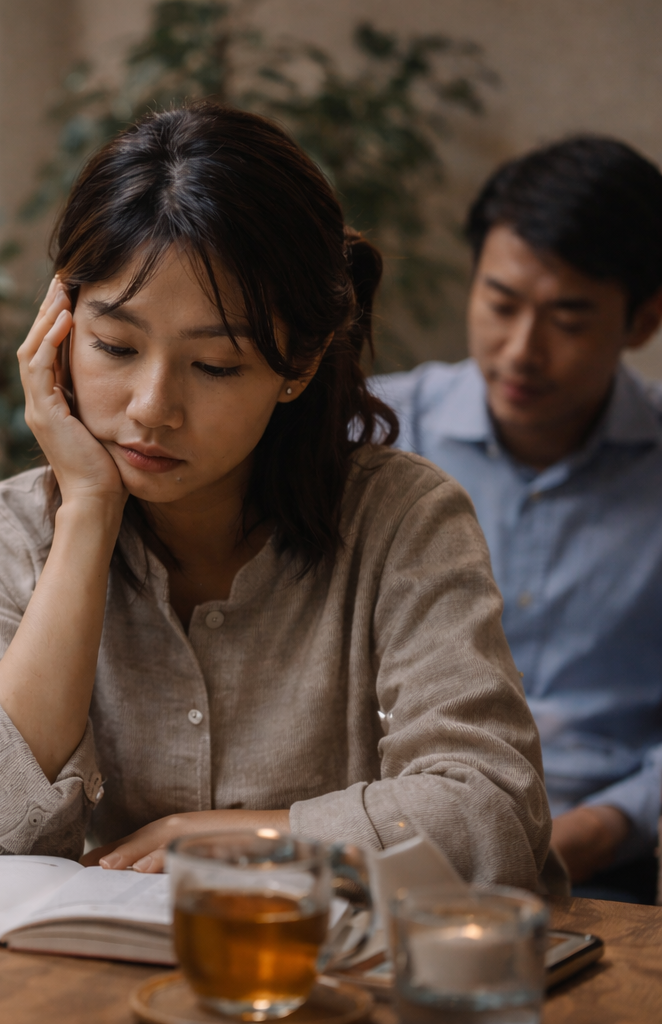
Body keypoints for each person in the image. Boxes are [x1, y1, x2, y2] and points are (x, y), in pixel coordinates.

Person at [0, 103, 563, 893]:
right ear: (58, 328)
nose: (152, 406)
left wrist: (250, 838)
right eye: (114, 346)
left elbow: (493, 815)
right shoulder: (5, 535)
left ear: (301, 361)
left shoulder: (404, 521)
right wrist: (86, 514)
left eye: (216, 365)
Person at [372, 137, 662, 904]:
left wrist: (602, 828)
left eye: (568, 318)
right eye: (500, 305)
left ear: (643, 320)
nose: (522, 350)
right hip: (389, 847)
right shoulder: (371, 435)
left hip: (607, 864)